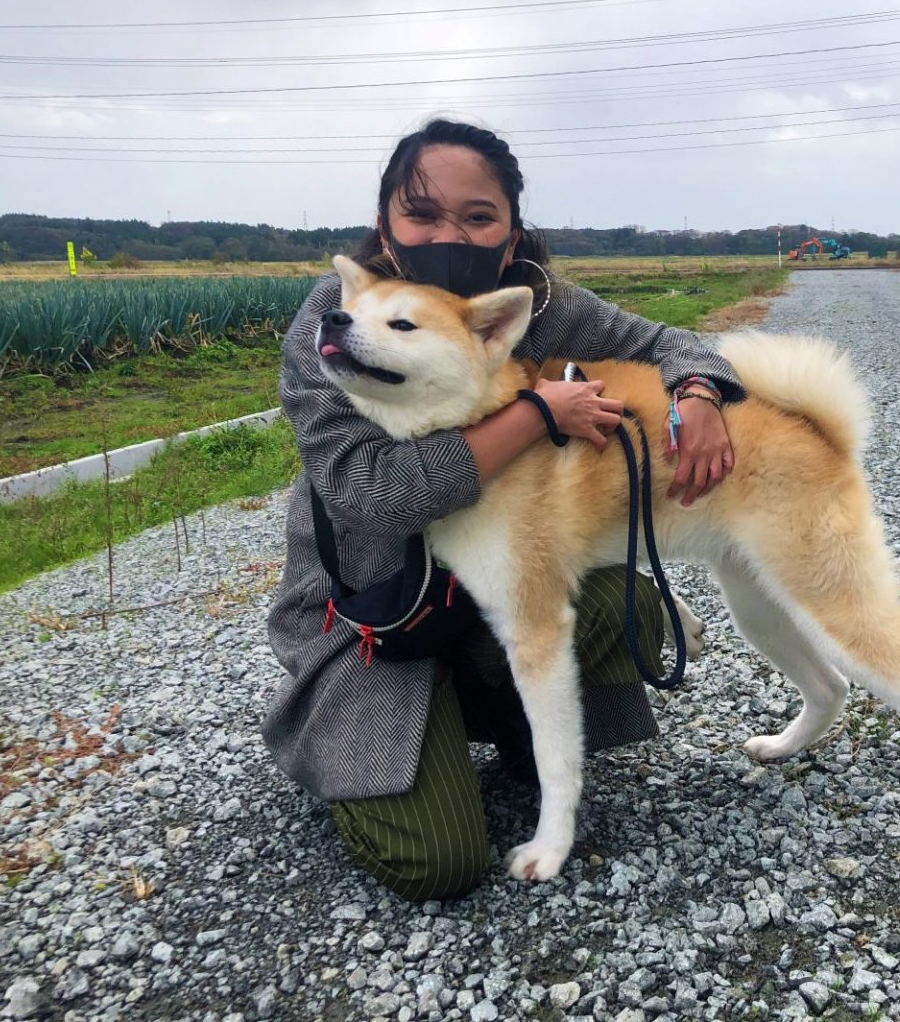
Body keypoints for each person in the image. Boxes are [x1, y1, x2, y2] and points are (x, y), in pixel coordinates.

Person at [261, 118, 746, 901]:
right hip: (369, 618)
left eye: (477, 217)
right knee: (440, 864)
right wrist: (536, 415)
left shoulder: (532, 303)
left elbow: (666, 339)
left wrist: (699, 393)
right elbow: (372, 494)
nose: (450, 235)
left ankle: (495, 716)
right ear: (385, 222)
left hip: (486, 590)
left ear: (511, 232)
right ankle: (363, 740)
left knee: (626, 600)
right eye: (422, 213)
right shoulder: (343, 320)